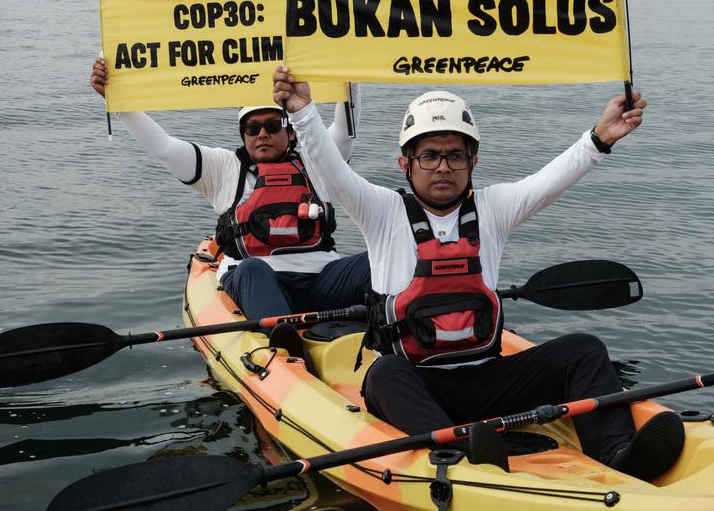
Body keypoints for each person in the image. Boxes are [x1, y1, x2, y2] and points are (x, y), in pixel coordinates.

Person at [272, 65, 684, 482]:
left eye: (455, 155)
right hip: (417, 385)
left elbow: (552, 179)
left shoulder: (493, 209)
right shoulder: (380, 211)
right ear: (405, 164)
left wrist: (600, 137)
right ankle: (460, 456)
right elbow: (331, 172)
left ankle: (617, 453)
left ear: (473, 161)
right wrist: (304, 112)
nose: (443, 167)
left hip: (487, 382)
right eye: (429, 155)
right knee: (384, 375)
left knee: (584, 349)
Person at [89, 57, 370, 324]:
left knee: (375, 260)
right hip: (257, 279)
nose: (262, 134)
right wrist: (118, 100)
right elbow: (163, 147)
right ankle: (282, 344)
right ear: (243, 134)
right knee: (251, 269)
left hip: (322, 277)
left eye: (273, 126)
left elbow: (345, 132)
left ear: (292, 131)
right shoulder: (222, 168)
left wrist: (350, 76)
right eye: (252, 127)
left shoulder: (318, 161)